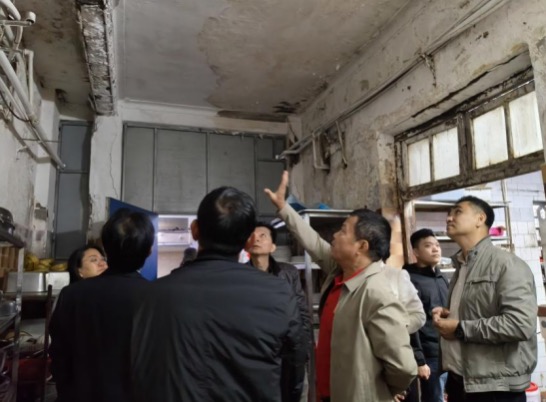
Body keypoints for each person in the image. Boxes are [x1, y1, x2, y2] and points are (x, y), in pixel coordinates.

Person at [131, 186, 306, 402]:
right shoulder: (278, 293)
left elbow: (141, 372)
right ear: (247, 241)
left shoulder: (153, 296)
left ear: (195, 230)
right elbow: (294, 364)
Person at [265, 171, 418, 402]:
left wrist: (380, 390)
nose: (335, 235)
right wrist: (283, 207)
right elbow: (313, 242)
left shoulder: (376, 293)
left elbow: (403, 367)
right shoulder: (340, 270)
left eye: (343, 230)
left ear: (361, 246)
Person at [432, 196, 537, 402]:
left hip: (496, 389)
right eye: (449, 213)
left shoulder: (507, 265)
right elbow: (477, 310)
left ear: (480, 219)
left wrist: (460, 328)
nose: (449, 218)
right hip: (460, 382)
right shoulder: (462, 266)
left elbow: (520, 324)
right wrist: (449, 314)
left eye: (457, 212)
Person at [49, 209, 154, 402]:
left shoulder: (71, 295)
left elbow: (59, 355)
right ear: (149, 251)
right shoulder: (157, 298)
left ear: (105, 247)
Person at [245, 221, 313, 402]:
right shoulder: (240, 275)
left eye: (263, 236)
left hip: (288, 353)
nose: (256, 239)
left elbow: (302, 312)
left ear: (273, 247)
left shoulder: (288, 273)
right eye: (252, 236)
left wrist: (303, 351)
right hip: (256, 357)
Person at [403, 229, 449, 402]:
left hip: (448, 352)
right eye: (428, 246)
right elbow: (409, 322)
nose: (436, 249)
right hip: (428, 355)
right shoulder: (408, 279)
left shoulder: (442, 278)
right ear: (416, 252)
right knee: (433, 398)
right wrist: (420, 360)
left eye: (437, 245)